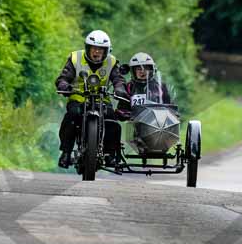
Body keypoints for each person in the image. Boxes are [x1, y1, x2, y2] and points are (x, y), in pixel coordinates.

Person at [55, 30, 127, 168]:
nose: (97, 52)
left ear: (107, 51)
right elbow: (64, 77)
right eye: (94, 48)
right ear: (88, 48)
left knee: (112, 120)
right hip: (79, 97)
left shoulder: (112, 62)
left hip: (102, 100)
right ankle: (66, 152)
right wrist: (64, 85)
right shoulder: (75, 58)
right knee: (71, 116)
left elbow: (118, 79)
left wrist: (120, 89)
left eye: (101, 50)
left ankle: (110, 155)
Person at [116, 52, 172, 118]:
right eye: (139, 69)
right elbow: (122, 109)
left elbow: (170, 106)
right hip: (136, 124)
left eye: (146, 68)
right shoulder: (129, 87)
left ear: (151, 70)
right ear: (133, 71)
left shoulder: (160, 87)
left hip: (158, 123)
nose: (142, 71)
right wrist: (125, 114)